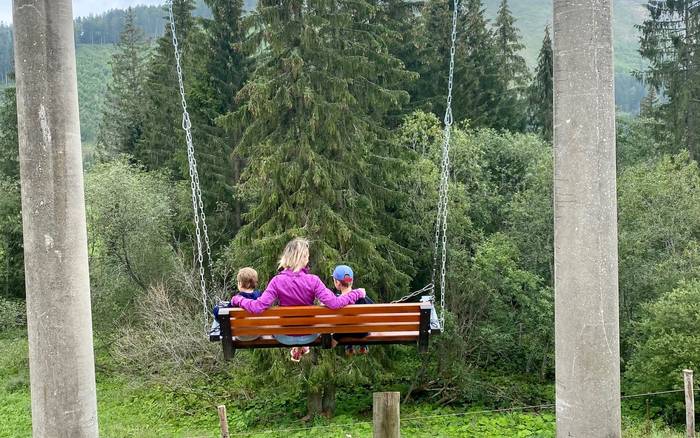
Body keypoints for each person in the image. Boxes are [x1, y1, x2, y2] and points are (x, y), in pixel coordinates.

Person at [230, 238, 366, 361]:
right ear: (304, 257)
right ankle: (302, 346)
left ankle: (299, 347)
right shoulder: (313, 281)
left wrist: (238, 300)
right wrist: (357, 293)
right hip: (310, 335)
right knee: (311, 325)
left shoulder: (277, 281)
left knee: (286, 326)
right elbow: (335, 303)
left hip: (284, 336)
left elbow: (258, 306)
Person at [210, 267, 262, 341]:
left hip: (241, 335)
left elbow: (219, 314)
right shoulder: (260, 296)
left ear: (240, 284)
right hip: (257, 333)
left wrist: (216, 308)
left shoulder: (236, 300)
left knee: (221, 314)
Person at [331, 265, 373, 355]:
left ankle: (349, 347)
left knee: (345, 325)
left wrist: (335, 337)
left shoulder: (337, 301)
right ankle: (363, 345)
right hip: (362, 333)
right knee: (359, 322)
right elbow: (372, 310)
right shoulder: (362, 296)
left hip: (344, 333)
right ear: (351, 281)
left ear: (337, 283)